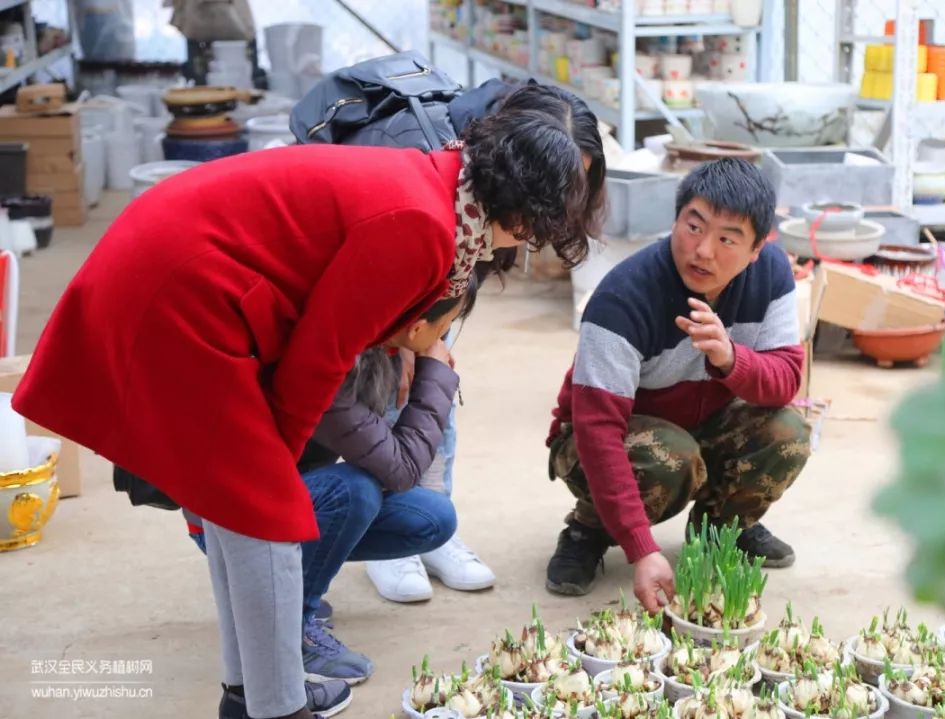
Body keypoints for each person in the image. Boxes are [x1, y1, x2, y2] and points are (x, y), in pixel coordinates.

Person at [14, 83, 604, 719]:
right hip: (182, 287)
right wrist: (278, 473)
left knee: (239, 510)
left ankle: (255, 693)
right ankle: (277, 707)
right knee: (262, 509)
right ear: (525, 208)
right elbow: (317, 364)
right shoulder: (423, 226)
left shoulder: (441, 190)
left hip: (184, 267)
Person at [360, 83, 608, 603]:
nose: (560, 205)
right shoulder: (440, 177)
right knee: (388, 394)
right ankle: (386, 536)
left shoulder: (492, 210)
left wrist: (433, 338)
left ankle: (429, 525)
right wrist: (400, 340)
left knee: (437, 385)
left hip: (440, 262)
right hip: (380, 272)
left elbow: (461, 280)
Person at [184, 273, 478, 712]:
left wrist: (409, 355)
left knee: (431, 517)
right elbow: (400, 468)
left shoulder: (374, 341)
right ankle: (294, 630)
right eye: (444, 326)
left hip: (277, 496)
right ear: (417, 325)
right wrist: (435, 374)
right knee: (354, 491)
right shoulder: (333, 355)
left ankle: (283, 614)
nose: (443, 339)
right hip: (233, 518)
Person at [543, 158, 813, 613]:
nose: (703, 250)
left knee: (789, 433)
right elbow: (597, 431)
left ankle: (722, 530)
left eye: (727, 239)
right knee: (671, 454)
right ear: (675, 219)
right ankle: (588, 529)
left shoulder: (771, 274)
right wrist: (642, 550)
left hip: (704, 420)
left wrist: (731, 358)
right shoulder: (622, 299)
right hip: (600, 438)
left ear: (756, 249)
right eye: (694, 226)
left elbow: (785, 379)